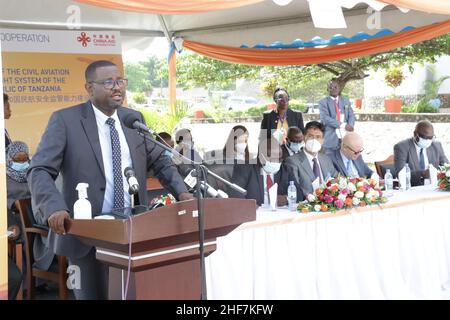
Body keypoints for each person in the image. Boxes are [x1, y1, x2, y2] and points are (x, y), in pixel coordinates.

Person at [27, 60, 193, 300]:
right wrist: (53, 207)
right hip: (86, 233)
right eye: (108, 82)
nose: (117, 88)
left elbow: (160, 160)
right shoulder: (65, 121)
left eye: (120, 81)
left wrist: (182, 192)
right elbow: (40, 169)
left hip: (131, 230)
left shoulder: (133, 119)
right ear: (89, 88)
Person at [280, 121, 337, 201]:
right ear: (304, 138)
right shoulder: (292, 161)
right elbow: (296, 189)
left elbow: (336, 180)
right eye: (310, 136)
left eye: (318, 137)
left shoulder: (326, 159)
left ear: (323, 140)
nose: (314, 140)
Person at [229, 136, 283, 207]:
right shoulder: (244, 168)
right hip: (255, 214)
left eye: (278, 159)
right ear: (261, 156)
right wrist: (249, 206)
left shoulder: (284, 169)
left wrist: (288, 198)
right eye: (272, 159)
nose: (276, 162)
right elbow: (235, 194)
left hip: (281, 214)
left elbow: (299, 193)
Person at [394, 120, 448, 186]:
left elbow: (446, 167)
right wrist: (422, 173)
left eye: (431, 137)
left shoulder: (436, 145)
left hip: (434, 186)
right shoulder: (402, 147)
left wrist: (437, 173)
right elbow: (400, 173)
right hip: (412, 188)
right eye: (425, 137)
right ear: (415, 134)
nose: (428, 140)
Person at [319, 80, 355, 155]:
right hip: (331, 138)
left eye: (336, 87)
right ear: (327, 89)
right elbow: (325, 118)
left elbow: (351, 115)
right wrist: (343, 125)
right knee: (330, 160)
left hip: (346, 135)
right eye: (331, 87)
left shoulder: (345, 100)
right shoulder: (323, 102)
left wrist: (350, 126)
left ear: (339, 88)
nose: (334, 89)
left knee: (345, 159)